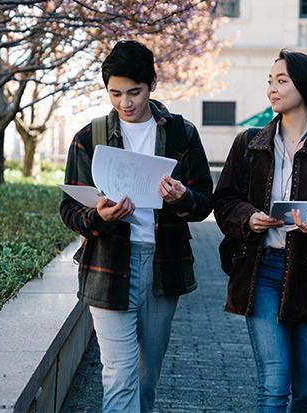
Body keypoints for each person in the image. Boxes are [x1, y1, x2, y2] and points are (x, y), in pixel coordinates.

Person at [59, 40, 213, 413]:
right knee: (118, 372)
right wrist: (99, 217)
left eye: (134, 92)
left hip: (163, 264)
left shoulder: (181, 134)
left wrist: (182, 199)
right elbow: (68, 209)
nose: (125, 103)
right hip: (108, 265)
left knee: (147, 374)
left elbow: (205, 201)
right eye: (115, 93)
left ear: (152, 85)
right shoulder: (89, 137)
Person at [212, 50, 307, 413]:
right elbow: (224, 202)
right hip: (261, 271)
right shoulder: (250, 144)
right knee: (273, 386)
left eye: (282, 80)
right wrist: (249, 218)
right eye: (270, 81)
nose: (273, 88)